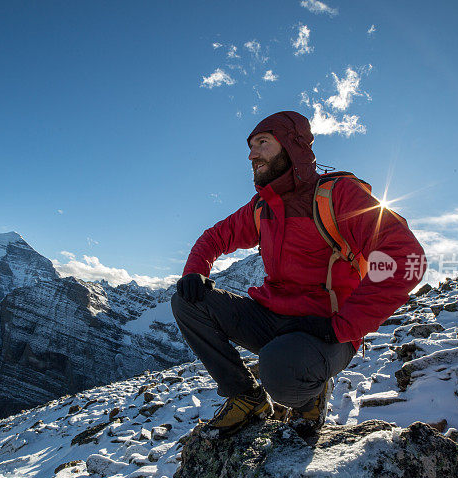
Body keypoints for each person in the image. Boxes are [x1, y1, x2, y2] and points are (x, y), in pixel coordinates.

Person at [171, 110, 426, 438]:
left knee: (279, 370)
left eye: (262, 142)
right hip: (274, 320)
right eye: (250, 146)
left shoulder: (338, 195)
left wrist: (341, 327)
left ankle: (312, 397)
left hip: (324, 331)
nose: (251, 154)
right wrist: (194, 272)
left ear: (291, 146)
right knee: (187, 301)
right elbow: (214, 237)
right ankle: (247, 397)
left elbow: (405, 256)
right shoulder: (263, 207)